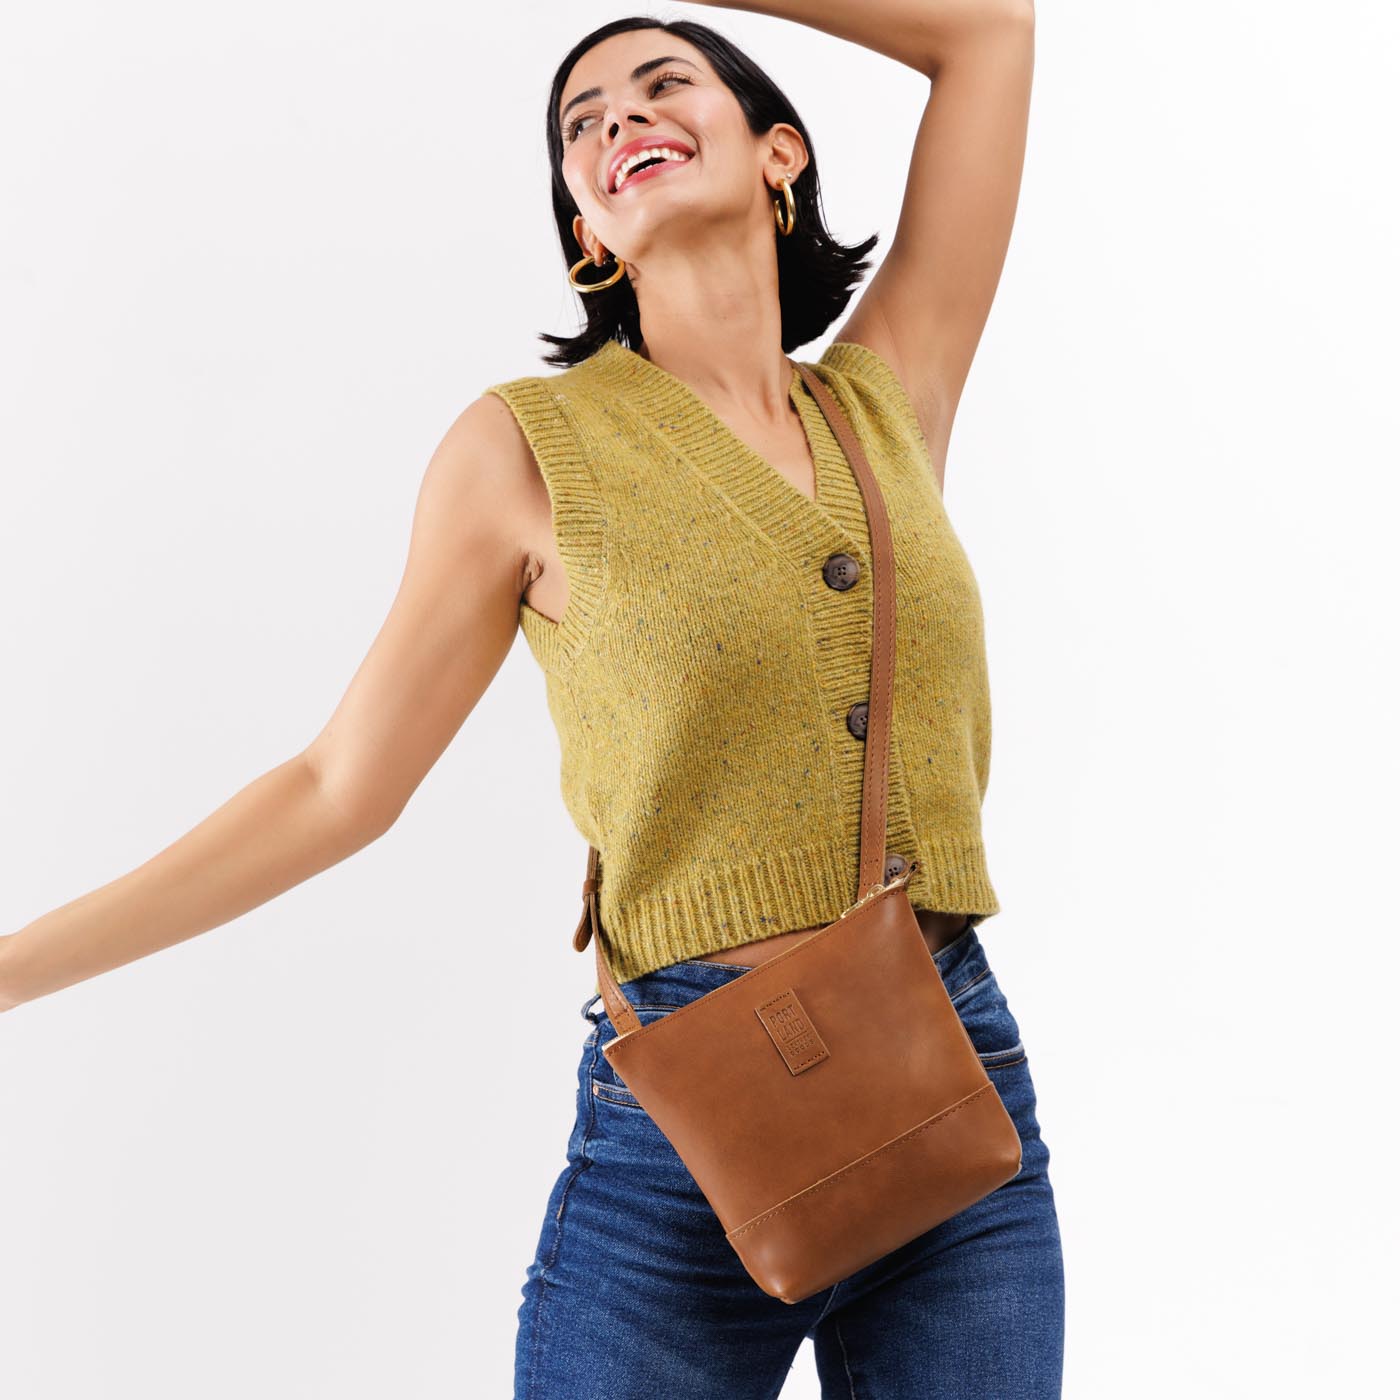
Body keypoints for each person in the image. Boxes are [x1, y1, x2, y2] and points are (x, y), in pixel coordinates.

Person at [0, 4, 1059, 1395]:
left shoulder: (888, 397)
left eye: (664, 84)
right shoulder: (522, 451)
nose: (621, 117)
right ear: (588, 228)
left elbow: (987, 31)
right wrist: (8, 970)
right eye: (583, 123)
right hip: (680, 1136)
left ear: (779, 153)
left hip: (951, 1091)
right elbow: (335, 788)